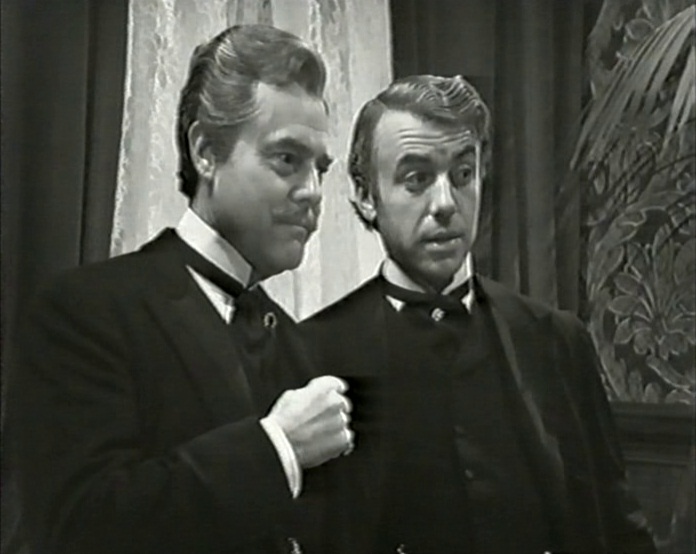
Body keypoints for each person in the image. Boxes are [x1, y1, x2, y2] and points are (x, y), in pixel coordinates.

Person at [5, 24, 354, 554]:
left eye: (320, 169)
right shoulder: (85, 311)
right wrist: (275, 448)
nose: (312, 192)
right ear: (205, 151)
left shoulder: (299, 346)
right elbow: (74, 528)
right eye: (287, 159)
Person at [302, 75, 656, 553]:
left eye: (463, 174)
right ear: (367, 195)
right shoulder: (313, 354)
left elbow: (619, 529)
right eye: (416, 179)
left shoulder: (556, 341)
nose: (445, 204)